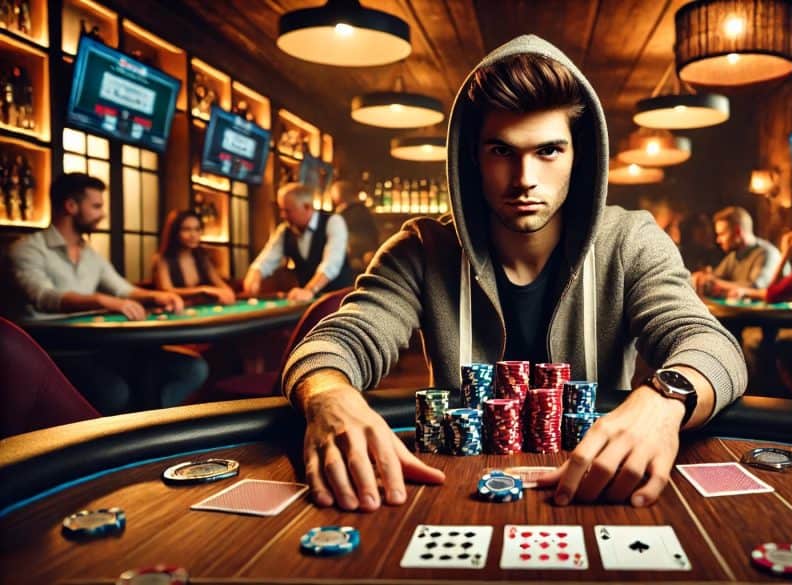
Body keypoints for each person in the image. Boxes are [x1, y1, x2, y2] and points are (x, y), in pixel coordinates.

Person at [282, 36, 746, 513]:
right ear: (473, 159)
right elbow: (339, 339)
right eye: (502, 151)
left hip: (598, 488)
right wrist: (329, 396)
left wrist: (664, 401)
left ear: (578, 157)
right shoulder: (421, 249)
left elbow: (711, 345)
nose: (525, 177)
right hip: (458, 487)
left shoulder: (631, 240)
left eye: (548, 151)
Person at [10, 173, 208, 413]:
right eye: (96, 206)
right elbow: (43, 297)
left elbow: (122, 288)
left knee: (193, 369)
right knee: (115, 392)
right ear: (71, 206)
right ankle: (129, 432)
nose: (102, 213)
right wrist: (103, 300)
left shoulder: (90, 253)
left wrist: (157, 296)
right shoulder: (26, 249)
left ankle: (141, 428)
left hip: (97, 345)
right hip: (51, 350)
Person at [243, 183, 353, 302]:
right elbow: (267, 259)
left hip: (338, 302)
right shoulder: (284, 231)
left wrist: (310, 289)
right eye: (281, 210)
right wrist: (255, 273)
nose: (283, 215)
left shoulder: (334, 222)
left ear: (307, 207)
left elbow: (331, 264)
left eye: (288, 211)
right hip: (307, 302)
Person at [692, 206, 784, 296]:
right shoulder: (734, 255)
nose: (718, 240)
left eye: (722, 234)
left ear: (737, 232)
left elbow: (756, 288)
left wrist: (713, 282)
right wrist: (702, 278)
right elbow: (715, 277)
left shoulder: (767, 253)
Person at [152, 209, 236, 304]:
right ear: (175, 232)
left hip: (202, 308)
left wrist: (227, 292)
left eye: (197, 229)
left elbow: (221, 284)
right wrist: (203, 290)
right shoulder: (162, 258)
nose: (193, 235)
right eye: (186, 229)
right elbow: (167, 290)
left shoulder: (202, 257)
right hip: (176, 309)